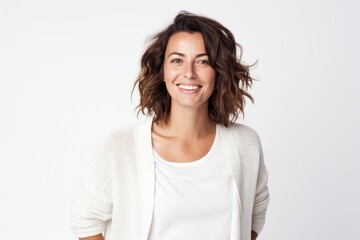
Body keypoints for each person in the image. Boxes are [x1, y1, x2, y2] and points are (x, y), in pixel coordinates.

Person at [71, 11, 269, 240]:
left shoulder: (245, 144)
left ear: (219, 72)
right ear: (162, 70)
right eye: (177, 60)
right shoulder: (121, 147)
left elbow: (255, 212)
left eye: (202, 61)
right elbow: (85, 219)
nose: (189, 73)